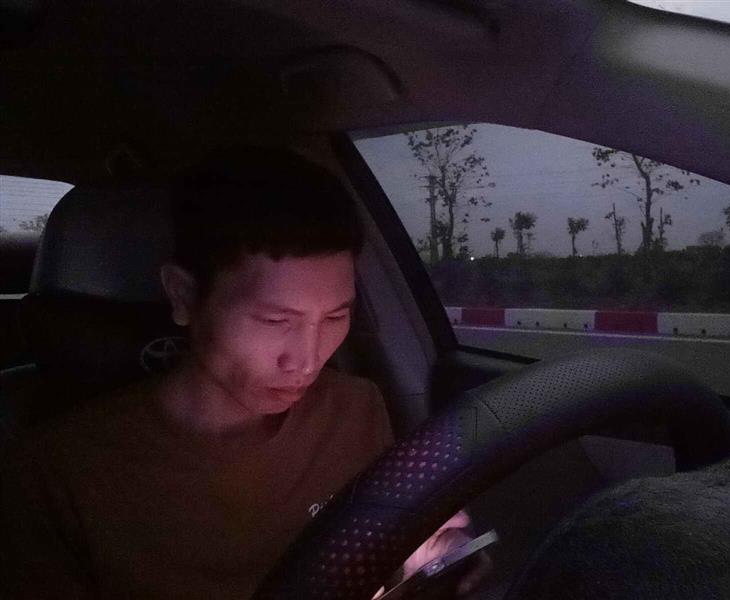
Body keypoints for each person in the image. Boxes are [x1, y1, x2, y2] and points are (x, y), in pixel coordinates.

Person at [0, 148, 490, 598]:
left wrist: (424, 560)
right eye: (275, 321)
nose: (307, 361)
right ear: (183, 295)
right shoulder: (57, 475)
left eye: (336, 317)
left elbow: (374, 561)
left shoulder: (355, 408)